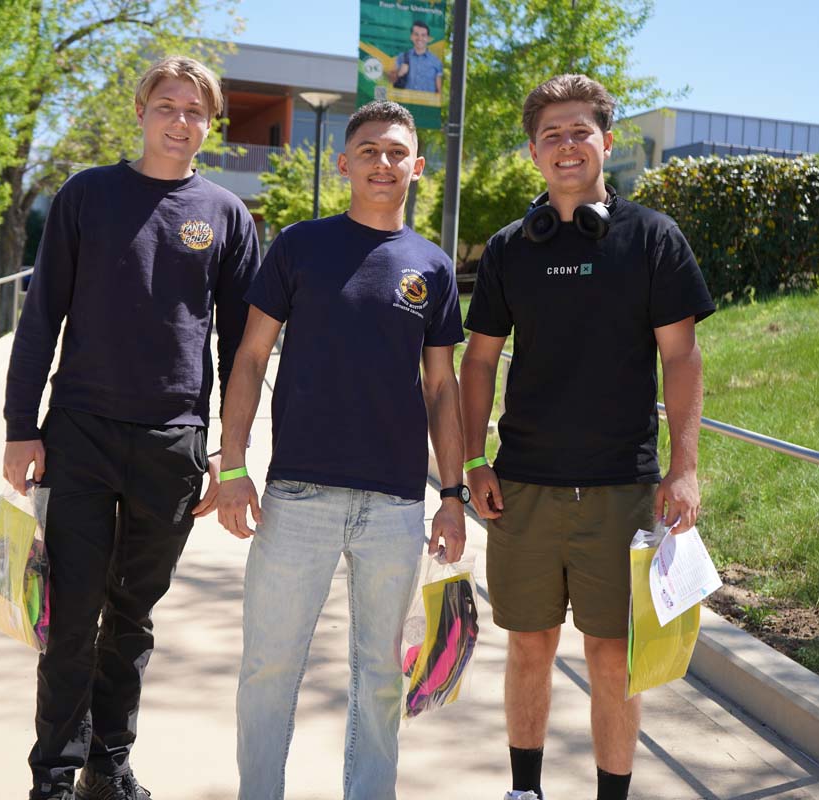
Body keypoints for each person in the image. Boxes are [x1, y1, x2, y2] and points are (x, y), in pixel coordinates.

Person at [1, 55, 260, 800]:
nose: (181, 122)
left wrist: (230, 456)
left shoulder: (226, 216)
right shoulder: (87, 196)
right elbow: (41, 315)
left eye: (195, 111)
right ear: (142, 112)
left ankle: (107, 769)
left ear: (210, 126)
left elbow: (240, 350)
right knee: (74, 613)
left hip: (171, 443)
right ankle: (52, 777)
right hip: (79, 433)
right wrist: (23, 427)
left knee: (134, 616)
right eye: (167, 106)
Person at [458, 74, 714, 800]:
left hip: (620, 490)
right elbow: (477, 361)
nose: (567, 146)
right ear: (534, 152)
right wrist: (474, 458)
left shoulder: (653, 237)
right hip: (525, 489)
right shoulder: (510, 248)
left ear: (605, 140)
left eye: (580, 131)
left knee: (611, 657)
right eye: (551, 135)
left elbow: (682, 356)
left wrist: (685, 468)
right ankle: (525, 792)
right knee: (530, 648)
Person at [216, 100, 467, 800]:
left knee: (382, 677)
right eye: (368, 150)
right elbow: (250, 358)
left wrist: (452, 496)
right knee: (269, 669)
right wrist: (232, 466)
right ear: (344, 161)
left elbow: (443, 388)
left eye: (395, 152)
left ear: (417, 167)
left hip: (395, 506)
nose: (382, 163)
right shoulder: (300, 245)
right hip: (298, 498)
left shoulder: (434, 268)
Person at [386, 21, 443, 94]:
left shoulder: (436, 61)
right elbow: (390, 80)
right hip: (405, 103)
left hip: (427, 104)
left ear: (428, 38)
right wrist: (399, 73)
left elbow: (439, 91)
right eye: (416, 34)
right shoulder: (402, 57)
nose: (420, 38)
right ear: (411, 37)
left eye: (423, 35)